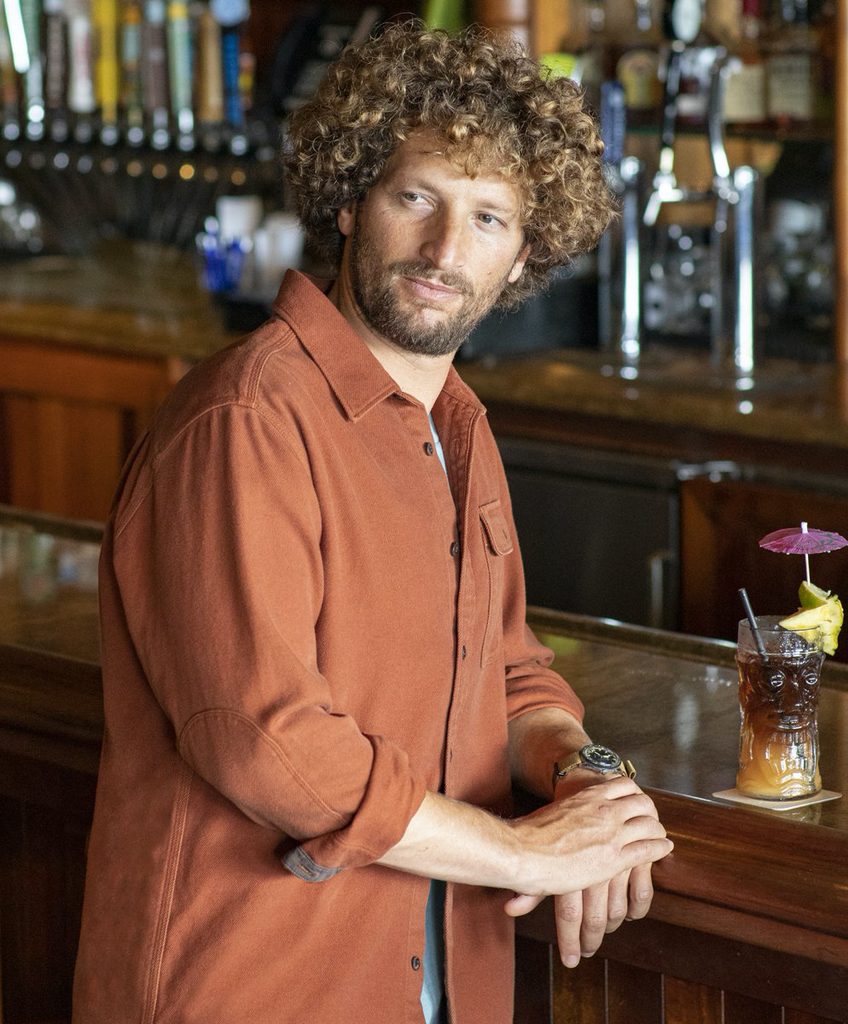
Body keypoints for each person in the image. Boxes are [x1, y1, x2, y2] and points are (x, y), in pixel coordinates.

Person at [72, 21, 672, 1024]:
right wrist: (526, 853)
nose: (445, 250)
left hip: (437, 986)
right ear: (350, 201)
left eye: (488, 218)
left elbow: (505, 671)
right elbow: (267, 742)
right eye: (416, 198)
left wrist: (588, 786)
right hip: (257, 992)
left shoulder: (458, 427)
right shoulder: (246, 419)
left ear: (522, 254)